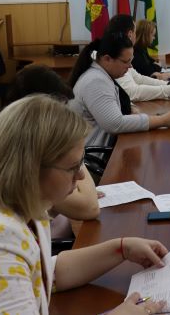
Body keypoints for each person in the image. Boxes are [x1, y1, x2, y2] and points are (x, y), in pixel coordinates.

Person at [0, 95, 166, 315]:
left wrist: (121, 249)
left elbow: (46, 274)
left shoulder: (17, 195)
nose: (81, 175)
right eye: (72, 167)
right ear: (31, 169)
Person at [7, 64, 100, 239]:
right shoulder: (29, 157)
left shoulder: (34, 142)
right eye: (60, 110)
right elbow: (90, 207)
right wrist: (72, 157)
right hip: (52, 244)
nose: (64, 116)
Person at [68, 29, 170, 146]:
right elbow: (115, 124)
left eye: (131, 61)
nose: (130, 67)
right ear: (107, 59)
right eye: (126, 62)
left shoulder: (102, 74)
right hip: (94, 153)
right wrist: (163, 120)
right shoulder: (96, 81)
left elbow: (115, 101)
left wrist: (131, 108)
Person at [107, 15, 170, 102]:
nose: (130, 65)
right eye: (135, 32)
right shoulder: (115, 56)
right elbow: (133, 93)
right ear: (130, 35)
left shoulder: (122, 52)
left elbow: (139, 79)